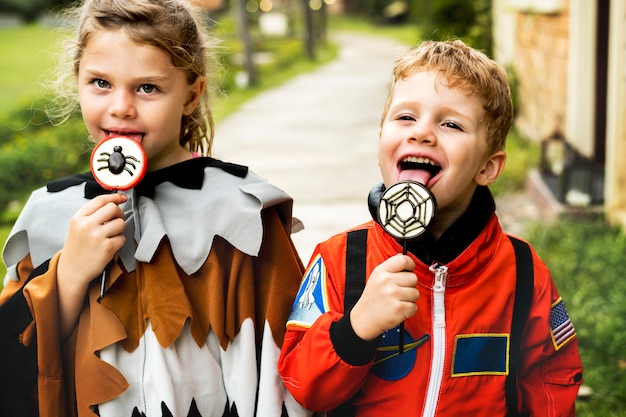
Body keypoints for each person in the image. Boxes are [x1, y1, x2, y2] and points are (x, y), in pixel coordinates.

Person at [0, 0, 310, 416]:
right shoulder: (48, 213)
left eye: (148, 88)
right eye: (100, 83)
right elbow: (13, 374)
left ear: (191, 94)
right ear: (77, 80)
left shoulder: (242, 214)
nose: (122, 106)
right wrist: (68, 275)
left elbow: (286, 372)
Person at [278, 39, 583, 416]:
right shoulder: (341, 259)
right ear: (380, 143)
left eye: (451, 123)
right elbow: (301, 387)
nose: (421, 133)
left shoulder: (522, 271)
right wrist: (355, 329)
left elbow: (553, 381)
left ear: (488, 166)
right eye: (405, 117)